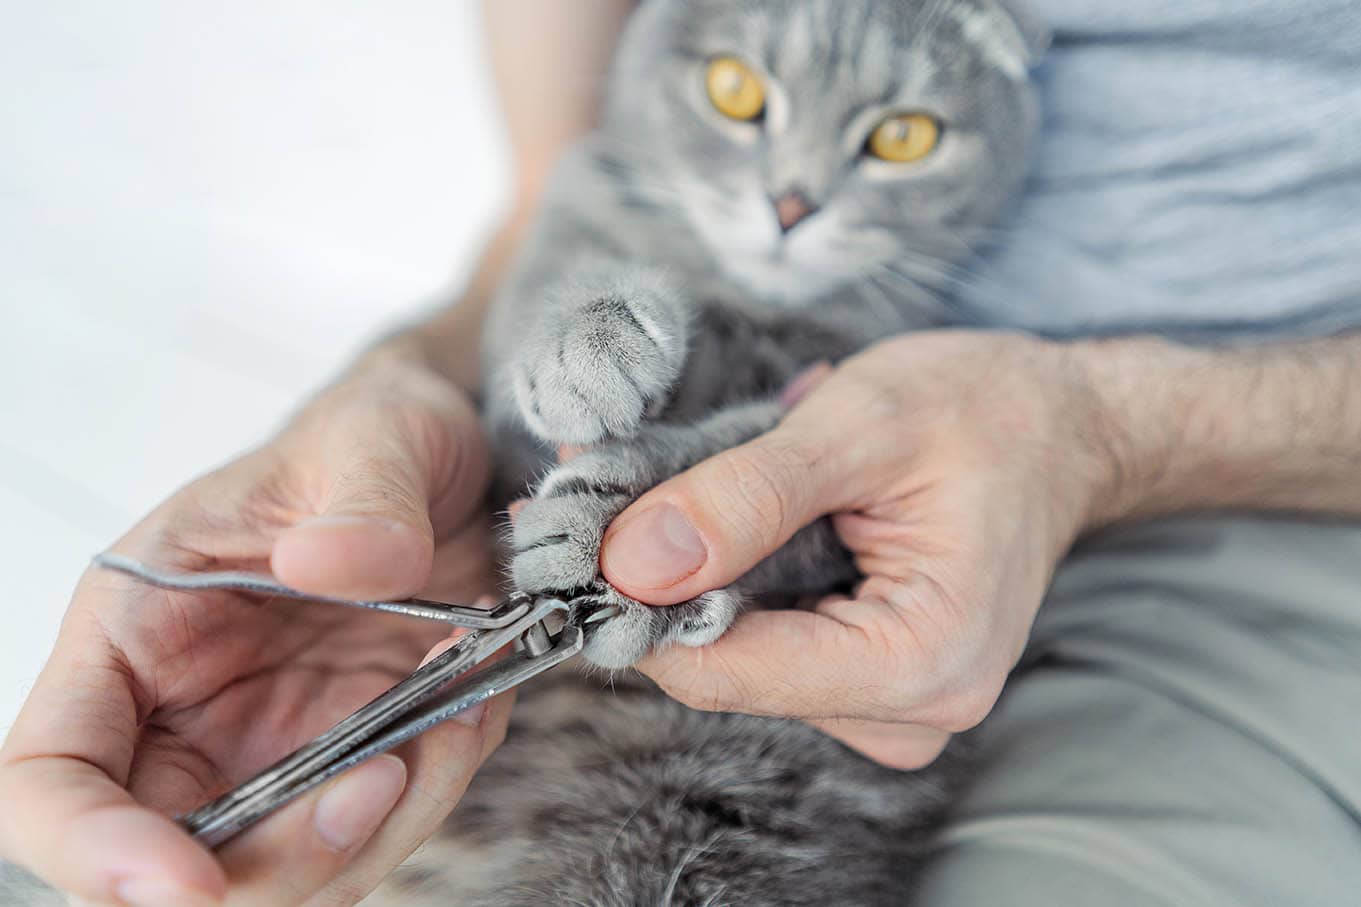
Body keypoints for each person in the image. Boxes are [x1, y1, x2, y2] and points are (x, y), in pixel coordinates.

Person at [3, 1, 1359, 905]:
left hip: (1239, 520)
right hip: (500, 536)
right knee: (106, 845)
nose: (791, 191)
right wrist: (423, 367)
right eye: (739, 95)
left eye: (888, 139)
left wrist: (1106, 431)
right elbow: (556, 185)